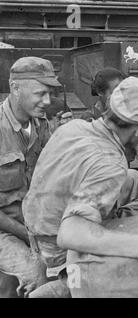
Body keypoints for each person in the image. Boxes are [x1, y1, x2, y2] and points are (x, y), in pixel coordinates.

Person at [22, 76, 138, 297]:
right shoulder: (110, 161)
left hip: (39, 228)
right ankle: (65, 284)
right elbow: (71, 233)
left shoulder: (76, 127)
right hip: (60, 248)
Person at [0, 56, 62, 297]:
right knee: (37, 271)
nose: (47, 101)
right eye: (40, 93)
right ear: (15, 88)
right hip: (6, 227)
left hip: (34, 222)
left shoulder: (42, 125)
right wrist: (29, 235)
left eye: (49, 93)